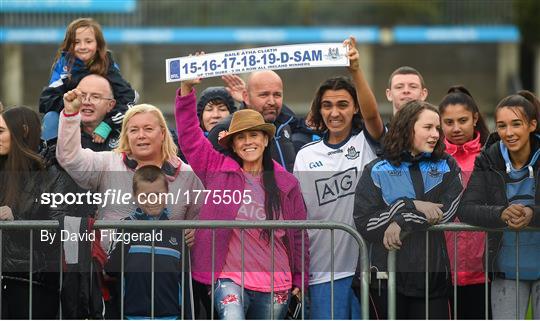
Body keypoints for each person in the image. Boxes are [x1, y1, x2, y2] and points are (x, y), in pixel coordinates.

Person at [175, 74, 309, 320]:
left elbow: (298, 235)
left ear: (266, 139)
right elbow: (190, 139)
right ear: (233, 145)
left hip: (276, 281)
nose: (248, 142)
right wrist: (186, 91)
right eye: (241, 137)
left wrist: (301, 275)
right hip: (228, 278)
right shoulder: (217, 169)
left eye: (254, 135)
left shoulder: (287, 183)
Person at [293, 36, 384, 320]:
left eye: (343, 104)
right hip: (322, 271)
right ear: (319, 110)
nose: (335, 112)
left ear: (354, 108)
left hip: (365, 269)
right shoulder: (306, 155)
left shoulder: (366, 143)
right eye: (328, 105)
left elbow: (373, 116)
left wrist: (355, 69)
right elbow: (300, 217)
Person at [354, 101, 463, 319]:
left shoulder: (447, 165)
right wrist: (408, 204)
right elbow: (366, 223)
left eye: (437, 128)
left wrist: (401, 220)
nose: (435, 134)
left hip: (432, 283)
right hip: (384, 281)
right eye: (428, 127)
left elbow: (445, 212)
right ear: (407, 127)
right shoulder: (376, 170)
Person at [56, 87, 202, 222]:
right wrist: (70, 115)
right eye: (133, 130)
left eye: (148, 129)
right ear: (126, 136)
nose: (141, 135)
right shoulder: (107, 164)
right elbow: (70, 159)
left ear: (162, 133)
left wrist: (195, 230)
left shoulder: (187, 175)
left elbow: (202, 216)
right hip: (110, 251)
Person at [458, 91, 540, 319]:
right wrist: (500, 213)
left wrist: (531, 213)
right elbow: (466, 208)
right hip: (506, 269)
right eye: (502, 126)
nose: (509, 132)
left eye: (516, 124)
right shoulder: (488, 159)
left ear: (532, 125)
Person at [0, 106, 77, 319]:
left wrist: (16, 221)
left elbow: (56, 236)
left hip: (33, 284)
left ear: (23, 131)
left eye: (0, 131)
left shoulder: (54, 175)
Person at [105, 165, 194, 319]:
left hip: (171, 316)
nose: (152, 200)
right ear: (135, 196)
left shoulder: (178, 231)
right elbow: (111, 269)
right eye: (145, 196)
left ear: (167, 193)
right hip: (131, 316)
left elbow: (186, 284)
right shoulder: (126, 226)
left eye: (158, 194)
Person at [39, 17, 136, 145]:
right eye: (76, 42)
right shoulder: (63, 66)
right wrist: (71, 111)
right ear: (69, 45)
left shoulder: (108, 66)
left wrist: (107, 124)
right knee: (50, 117)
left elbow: (129, 99)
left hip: (103, 122)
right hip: (72, 121)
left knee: (136, 117)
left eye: (88, 41)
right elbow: (46, 100)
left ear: (98, 45)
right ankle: (49, 157)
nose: (82, 47)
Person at [438, 85, 491, 319]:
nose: (456, 128)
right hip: (442, 270)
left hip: (483, 271)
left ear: (475, 118)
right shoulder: (433, 156)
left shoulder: (491, 155)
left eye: (462, 120)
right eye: (449, 122)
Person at [207, 70, 298, 172]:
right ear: (245, 96)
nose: (272, 102)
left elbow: (310, 125)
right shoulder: (224, 129)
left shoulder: (285, 123)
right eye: (264, 95)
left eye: (277, 95)